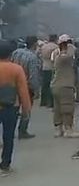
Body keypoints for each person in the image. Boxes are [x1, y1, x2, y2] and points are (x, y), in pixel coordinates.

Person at [0, 40, 32, 176]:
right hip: (10, 107)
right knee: (8, 137)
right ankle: (5, 165)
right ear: (10, 54)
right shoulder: (16, 69)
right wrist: (26, 109)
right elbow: (23, 91)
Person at [10, 35, 41, 139]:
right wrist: (36, 89)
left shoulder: (16, 52)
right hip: (26, 86)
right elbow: (33, 75)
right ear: (35, 44)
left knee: (13, 108)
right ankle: (22, 131)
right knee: (26, 109)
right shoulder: (33, 57)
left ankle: (10, 129)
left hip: (13, 84)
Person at [51, 34, 79, 138]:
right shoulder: (65, 56)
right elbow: (70, 55)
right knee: (67, 107)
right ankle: (68, 130)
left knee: (57, 108)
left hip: (56, 84)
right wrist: (69, 47)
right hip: (65, 85)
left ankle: (58, 130)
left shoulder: (55, 54)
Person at [39, 34, 58, 107]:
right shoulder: (55, 47)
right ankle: (50, 102)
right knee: (51, 85)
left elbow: (39, 55)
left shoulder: (44, 46)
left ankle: (43, 101)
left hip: (44, 66)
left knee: (44, 85)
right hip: (52, 67)